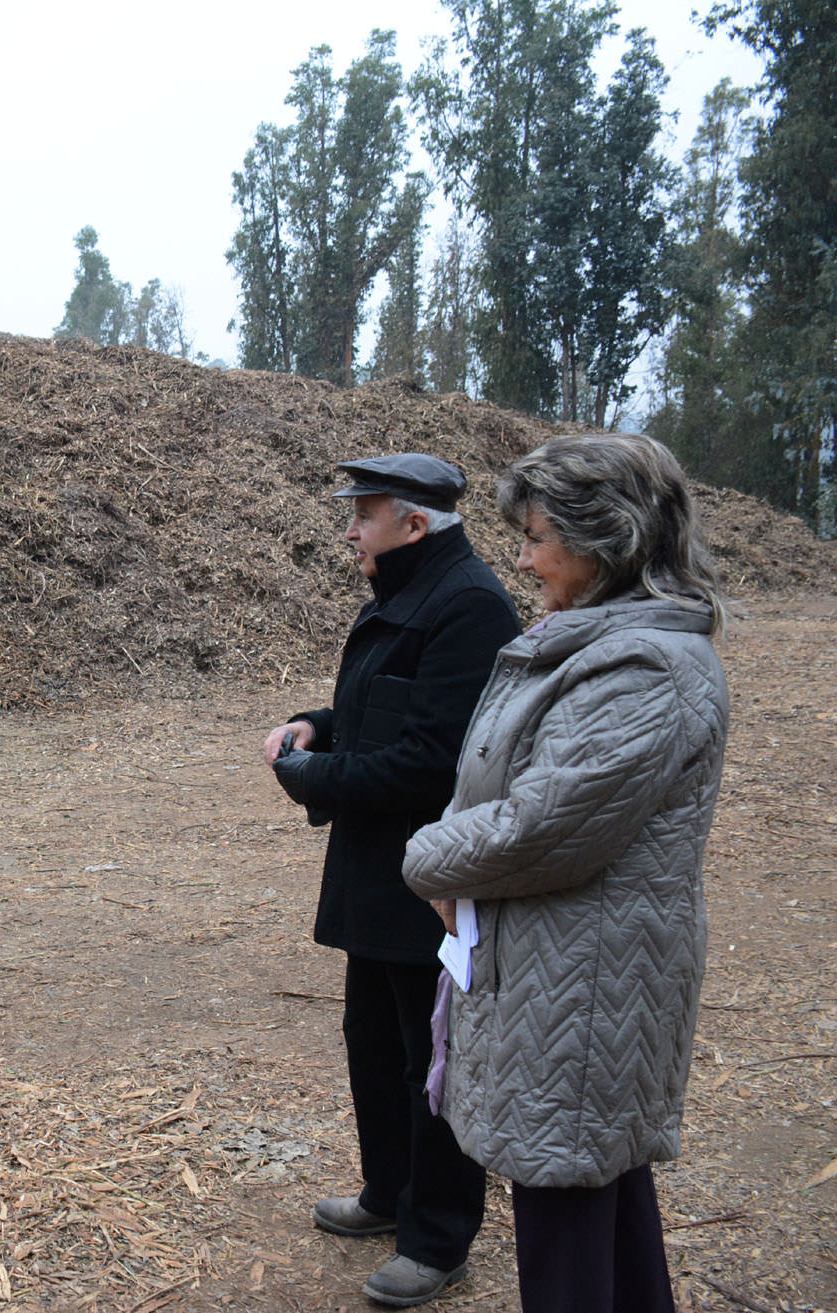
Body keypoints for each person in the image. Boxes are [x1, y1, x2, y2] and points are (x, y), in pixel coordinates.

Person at [402, 433, 729, 1313]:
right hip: (570, 975)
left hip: (587, 988)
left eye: (538, 535)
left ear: (605, 541)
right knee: (596, 1197)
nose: (521, 556)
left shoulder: (642, 668)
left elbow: (540, 826)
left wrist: (426, 854)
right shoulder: (597, 643)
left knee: (568, 1221)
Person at [262, 453, 519, 1307]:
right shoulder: (411, 593)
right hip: (383, 872)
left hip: (430, 880)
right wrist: (317, 723)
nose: (348, 529)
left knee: (430, 1061)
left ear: (414, 524)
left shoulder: (470, 605)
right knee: (373, 1043)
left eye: (362, 514)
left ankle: (438, 1237)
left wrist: (313, 777)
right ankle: (386, 1194)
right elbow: (384, 707)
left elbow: (430, 758)